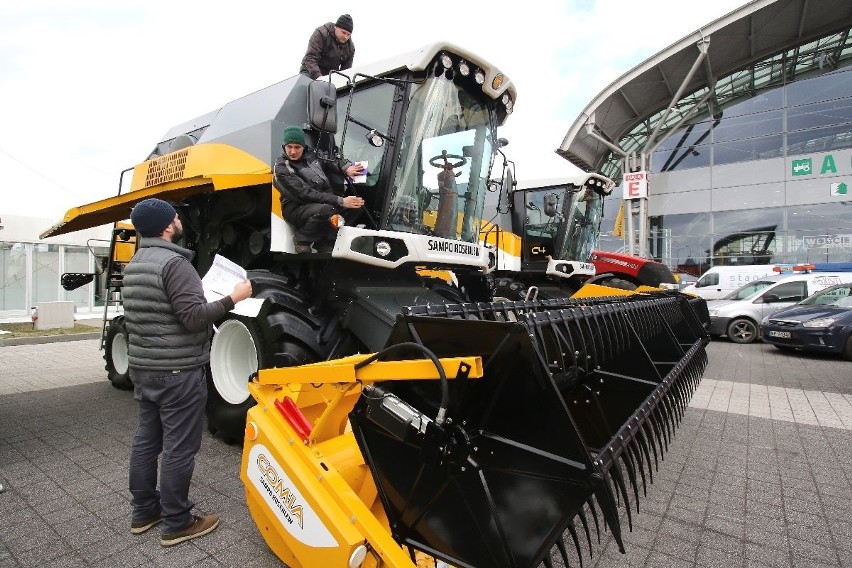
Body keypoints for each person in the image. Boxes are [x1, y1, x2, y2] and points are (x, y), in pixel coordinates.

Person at [124, 198, 252, 547]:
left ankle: (144, 512)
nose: (179, 220)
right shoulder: (174, 264)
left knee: (147, 442)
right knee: (180, 447)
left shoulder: (134, 263)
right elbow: (194, 317)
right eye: (175, 217)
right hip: (177, 371)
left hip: (145, 368)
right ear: (167, 226)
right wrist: (233, 298)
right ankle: (178, 522)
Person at [274, 125, 365, 253]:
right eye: (289, 147)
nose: (293, 152)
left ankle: (326, 241)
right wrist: (340, 200)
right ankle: (302, 240)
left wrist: (346, 167)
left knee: (357, 206)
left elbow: (330, 160)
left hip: (321, 203)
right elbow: (304, 194)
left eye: (297, 147)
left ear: (303, 147)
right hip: (296, 208)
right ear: (284, 147)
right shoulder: (282, 168)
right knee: (327, 209)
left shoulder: (312, 154)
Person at [299, 14, 355, 80]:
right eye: (343, 32)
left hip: (330, 76)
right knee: (305, 84)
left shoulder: (350, 48)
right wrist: (319, 77)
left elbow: (345, 72)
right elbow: (310, 57)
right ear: (336, 27)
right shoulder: (321, 34)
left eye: (348, 35)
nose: (345, 37)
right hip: (310, 71)